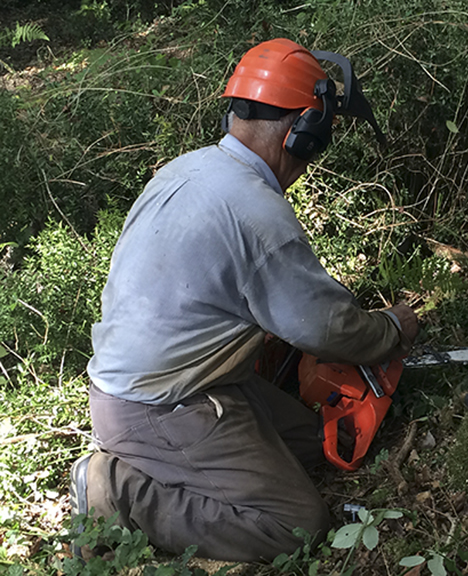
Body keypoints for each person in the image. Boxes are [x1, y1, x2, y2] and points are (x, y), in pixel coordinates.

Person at [69, 38, 419, 563]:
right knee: (296, 523)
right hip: (162, 402)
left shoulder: (186, 170)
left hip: (177, 382)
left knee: (307, 441)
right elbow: (323, 328)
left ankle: (161, 462)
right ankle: (117, 488)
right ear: (303, 131)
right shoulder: (255, 213)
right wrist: (391, 330)